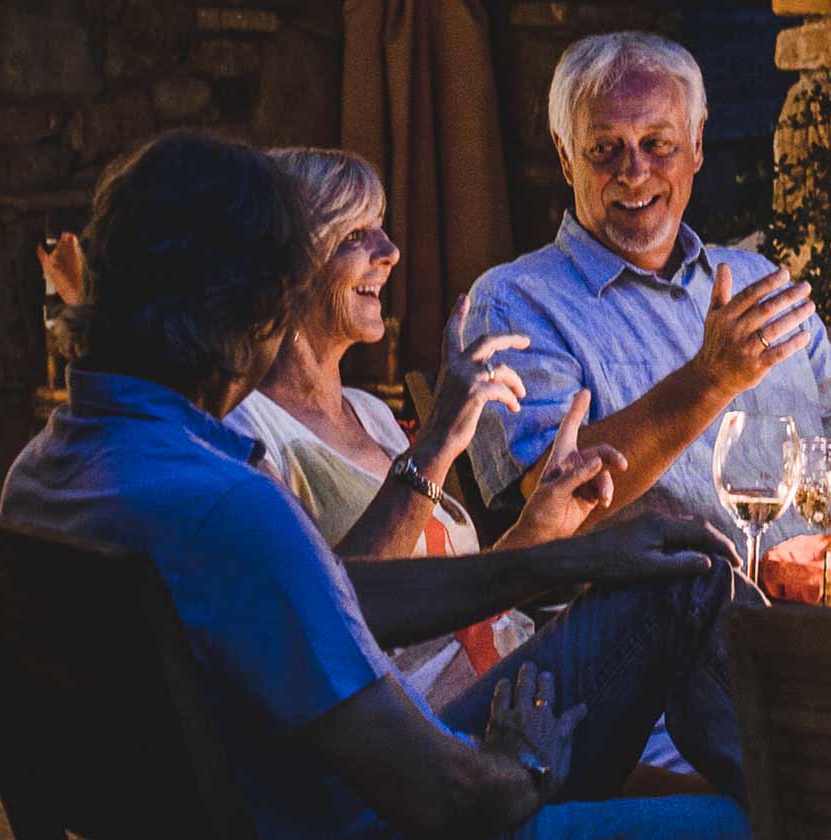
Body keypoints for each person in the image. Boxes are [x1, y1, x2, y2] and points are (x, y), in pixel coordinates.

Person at [0, 129, 751, 839]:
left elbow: (333, 595)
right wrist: (526, 761)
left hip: (277, 799)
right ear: (251, 309)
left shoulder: (49, 471)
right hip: (414, 816)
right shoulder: (225, 505)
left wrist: (570, 558)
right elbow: (445, 795)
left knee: (670, 574)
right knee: (762, 819)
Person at [460, 31, 831, 541]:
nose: (634, 173)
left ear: (698, 145)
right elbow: (550, 498)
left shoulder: (760, 283)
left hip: (804, 618)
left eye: (658, 144)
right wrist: (709, 379)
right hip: (664, 635)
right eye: (604, 149)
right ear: (565, 156)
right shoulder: (515, 302)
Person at [225, 147, 628, 707]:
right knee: (678, 589)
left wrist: (538, 530)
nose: (389, 253)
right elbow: (326, 616)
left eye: (382, 230)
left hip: (519, 684)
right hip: (438, 739)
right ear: (284, 268)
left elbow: (456, 597)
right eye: (353, 237)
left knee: (686, 578)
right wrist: (437, 443)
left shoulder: (370, 413)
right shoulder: (246, 431)